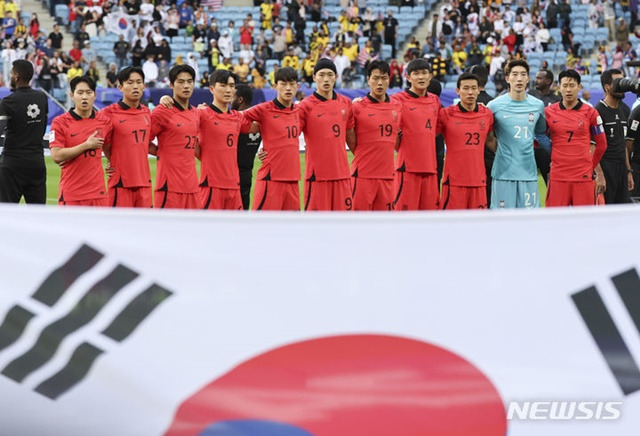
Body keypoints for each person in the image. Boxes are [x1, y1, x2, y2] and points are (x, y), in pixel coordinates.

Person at [487, 59, 549, 209]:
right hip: (503, 173)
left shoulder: (537, 105)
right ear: (507, 78)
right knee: (502, 222)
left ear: (528, 78)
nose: (519, 78)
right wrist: (502, 151)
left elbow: (540, 133)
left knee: (530, 222)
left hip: (528, 172)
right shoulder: (494, 106)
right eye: (514, 74)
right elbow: (488, 137)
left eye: (523, 74)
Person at [297, 58, 355, 211]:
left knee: (344, 226)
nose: (326, 79)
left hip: (342, 176)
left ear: (336, 77)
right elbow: (289, 133)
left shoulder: (346, 103)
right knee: (316, 228)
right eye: (321, 75)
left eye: (330, 75)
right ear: (314, 77)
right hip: (317, 177)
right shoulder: (305, 106)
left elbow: (351, 136)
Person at [545, 69, 607, 207]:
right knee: (555, 222)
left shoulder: (591, 112)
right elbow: (538, 138)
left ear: (579, 87)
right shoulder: (549, 112)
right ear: (558, 87)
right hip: (558, 176)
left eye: (572, 85)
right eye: (565, 85)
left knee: (584, 223)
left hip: (582, 177)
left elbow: (602, 144)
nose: (568, 90)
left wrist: (590, 167)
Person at [243, 66, 301, 211]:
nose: (288, 88)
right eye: (283, 84)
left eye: (292, 84)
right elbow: (235, 118)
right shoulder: (264, 109)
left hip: (293, 181)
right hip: (271, 180)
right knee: (264, 230)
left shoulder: (300, 111)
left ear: (297, 86)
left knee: (293, 231)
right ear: (275, 86)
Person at [49, 76, 112, 206]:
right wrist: (86, 145)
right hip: (71, 194)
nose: (84, 97)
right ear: (72, 95)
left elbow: (110, 147)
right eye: (80, 93)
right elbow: (56, 156)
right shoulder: (60, 122)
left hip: (98, 194)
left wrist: (112, 162)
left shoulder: (104, 121)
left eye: (88, 93)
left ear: (94, 95)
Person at [196, 70, 253, 210]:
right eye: (223, 85)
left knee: (235, 230)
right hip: (211, 186)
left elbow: (261, 127)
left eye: (232, 86)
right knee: (210, 230)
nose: (228, 90)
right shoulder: (202, 114)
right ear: (211, 89)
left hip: (234, 186)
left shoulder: (237, 117)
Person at [438, 72, 494, 209]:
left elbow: (491, 142)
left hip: (479, 182)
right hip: (454, 183)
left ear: (478, 90)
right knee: (452, 227)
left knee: (478, 227)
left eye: (474, 88)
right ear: (457, 91)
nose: (470, 92)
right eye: (466, 88)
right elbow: (428, 139)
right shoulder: (446, 114)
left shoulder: (486, 114)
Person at [351, 60, 402, 211]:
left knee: (384, 227)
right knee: (358, 225)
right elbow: (350, 137)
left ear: (389, 79)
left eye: (384, 78)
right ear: (368, 80)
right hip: (362, 176)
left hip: (387, 177)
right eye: (375, 78)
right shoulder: (357, 107)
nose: (380, 83)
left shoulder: (397, 106)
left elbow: (398, 140)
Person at [391, 58, 441, 211]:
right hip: (407, 170)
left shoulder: (435, 101)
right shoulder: (397, 100)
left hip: (430, 170)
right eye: (416, 74)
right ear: (408, 77)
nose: (421, 77)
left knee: (430, 221)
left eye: (424, 73)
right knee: (404, 220)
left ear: (430, 76)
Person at [150, 64, 202, 209]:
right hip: (169, 187)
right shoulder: (161, 111)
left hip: (192, 186)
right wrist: (160, 152)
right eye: (181, 82)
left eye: (190, 81)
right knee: (167, 231)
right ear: (171, 85)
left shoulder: (196, 113)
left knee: (194, 230)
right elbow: (143, 140)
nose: (186, 86)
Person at [101, 66, 153, 208]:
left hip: (145, 183)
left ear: (144, 86)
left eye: (138, 82)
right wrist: (111, 160)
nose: (135, 86)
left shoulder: (147, 112)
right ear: (120, 87)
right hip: (120, 184)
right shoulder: (108, 113)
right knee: (119, 228)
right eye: (130, 83)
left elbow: (146, 143)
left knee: (145, 228)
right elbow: (102, 143)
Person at [0, 60, 49, 204]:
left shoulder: (8, 102)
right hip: (36, 162)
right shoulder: (41, 98)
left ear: (16, 76)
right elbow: (43, 126)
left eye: (11, 73)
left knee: (6, 215)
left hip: (12, 165)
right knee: (38, 215)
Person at [596, 69, 633, 204]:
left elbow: (623, 144)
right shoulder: (597, 111)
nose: (623, 85)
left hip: (621, 169)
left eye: (623, 81)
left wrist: (628, 171)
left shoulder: (624, 110)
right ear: (607, 87)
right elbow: (592, 147)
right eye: (618, 82)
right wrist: (599, 175)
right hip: (606, 169)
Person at [529, 69, 561, 186]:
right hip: (529, 147)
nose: (536, 80)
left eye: (539, 78)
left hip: (546, 148)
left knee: (551, 184)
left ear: (548, 81)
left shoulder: (556, 101)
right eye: (536, 77)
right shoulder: (529, 96)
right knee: (527, 184)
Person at [235, 84, 262, 210]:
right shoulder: (259, 120)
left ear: (240, 99)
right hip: (247, 173)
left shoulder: (236, 119)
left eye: (232, 96)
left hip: (231, 174)